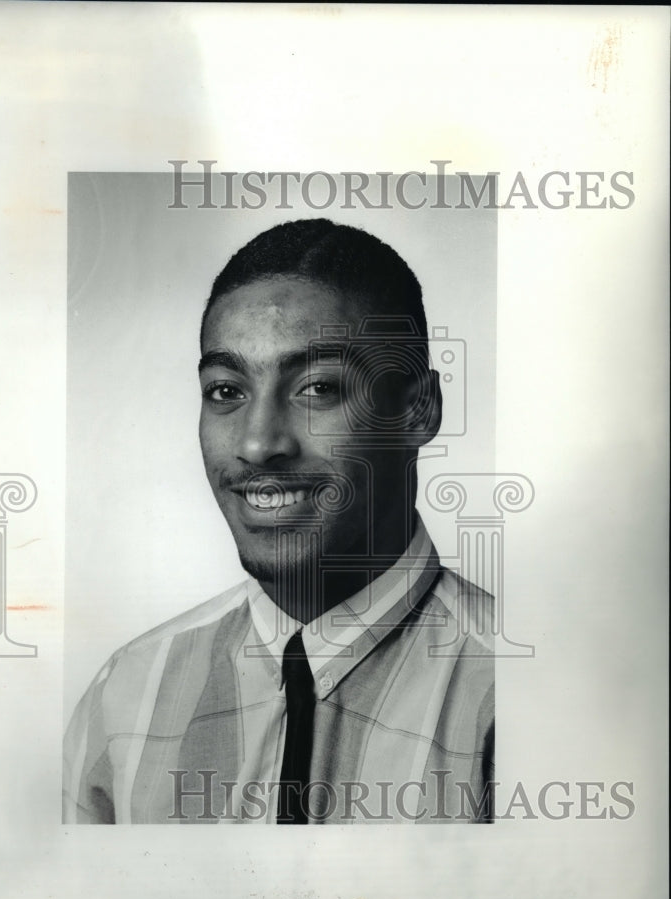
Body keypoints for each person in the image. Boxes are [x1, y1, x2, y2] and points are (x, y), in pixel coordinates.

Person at [63, 218, 494, 824]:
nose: (259, 443)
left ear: (417, 409)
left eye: (316, 387)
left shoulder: (526, 697)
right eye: (226, 391)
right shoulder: (126, 696)